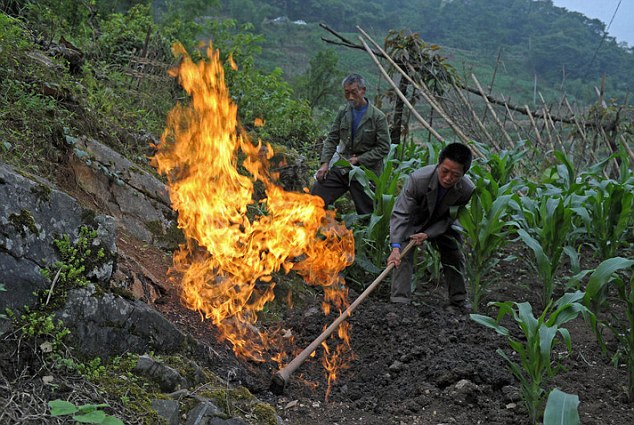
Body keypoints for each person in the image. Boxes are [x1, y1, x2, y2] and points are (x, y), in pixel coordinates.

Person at [387, 143, 475, 312]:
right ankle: (399, 302)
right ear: (438, 164)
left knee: (454, 252)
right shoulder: (418, 180)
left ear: (463, 174)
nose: (448, 178)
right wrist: (395, 247)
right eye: (444, 171)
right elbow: (401, 213)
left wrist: (427, 234)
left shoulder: (466, 190)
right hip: (414, 220)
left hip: (442, 223)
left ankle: (458, 300)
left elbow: (450, 218)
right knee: (403, 252)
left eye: (455, 175)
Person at [311, 74, 391, 215]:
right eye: (347, 93)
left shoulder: (378, 117)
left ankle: (365, 234)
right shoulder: (344, 112)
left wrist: (359, 159)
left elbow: (384, 147)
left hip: (366, 172)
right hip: (344, 167)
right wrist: (325, 164)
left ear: (363, 90)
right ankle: (312, 228)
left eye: (354, 92)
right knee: (318, 192)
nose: (350, 97)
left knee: (367, 212)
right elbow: (332, 138)